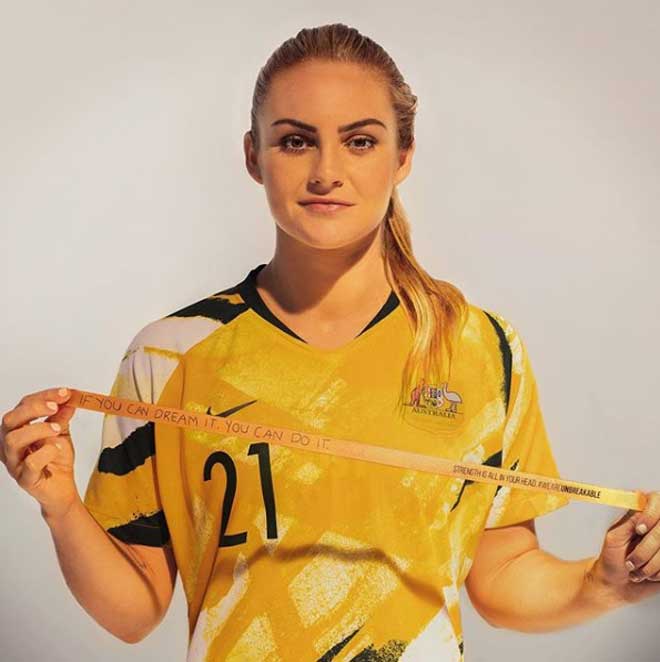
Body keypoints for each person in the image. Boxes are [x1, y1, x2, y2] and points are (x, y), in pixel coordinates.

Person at [1, 22, 659, 662]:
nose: (326, 172)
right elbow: (132, 611)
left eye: (360, 141)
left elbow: (503, 576)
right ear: (253, 155)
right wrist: (60, 506)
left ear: (403, 155)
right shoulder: (168, 356)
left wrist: (607, 583)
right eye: (295, 141)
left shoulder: (480, 348)